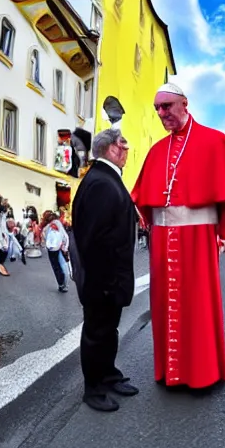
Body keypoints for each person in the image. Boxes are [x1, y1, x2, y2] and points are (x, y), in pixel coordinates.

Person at [129, 77, 225, 388]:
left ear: (185, 104)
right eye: (157, 108)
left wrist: (224, 235)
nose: (161, 113)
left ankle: (202, 373)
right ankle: (169, 373)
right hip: (162, 240)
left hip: (198, 239)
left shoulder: (215, 140)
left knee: (198, 307)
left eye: (166, 106)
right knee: (165, 306)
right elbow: (142, 199)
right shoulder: (157, 151)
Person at [70, 128, 141, 412]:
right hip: (103, 280)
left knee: (108, 330)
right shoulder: (101, 182)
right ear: (112, 148)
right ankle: (94, 388)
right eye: (124, 144)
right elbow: (94, 240)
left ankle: (108, 374)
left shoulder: (106, 178)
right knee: (97, 331)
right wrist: (106, 283)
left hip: (109, 279)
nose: (128, 150)